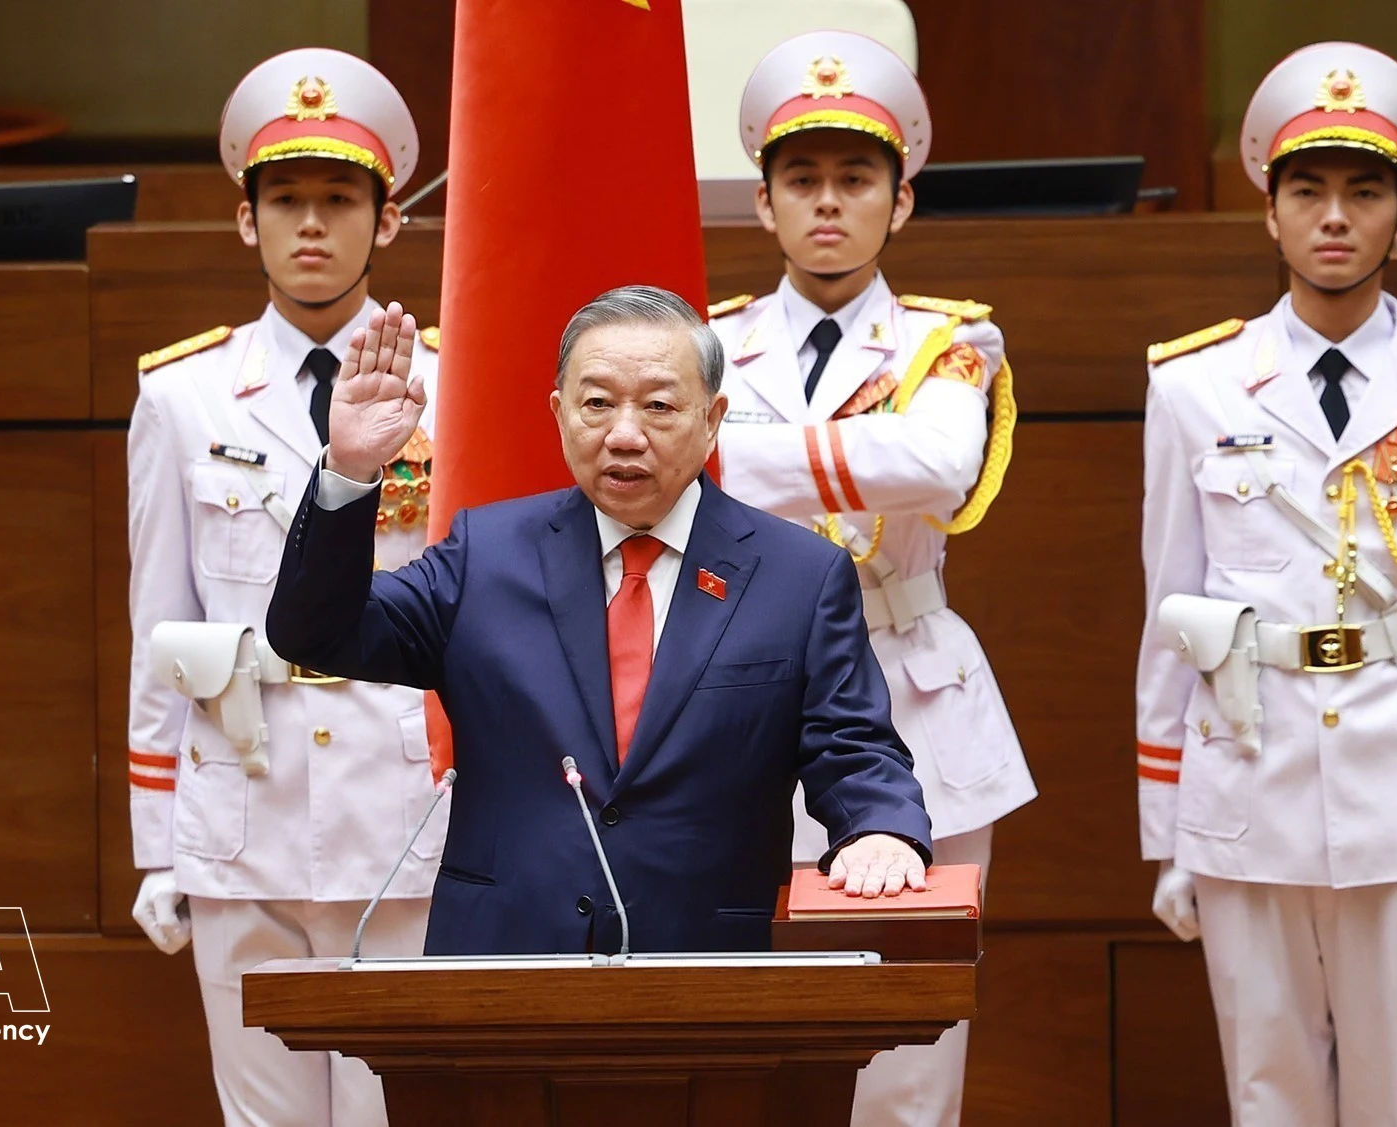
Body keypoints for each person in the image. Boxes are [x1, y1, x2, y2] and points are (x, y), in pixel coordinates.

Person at [267, 285, 937, 954]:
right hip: (503, 961)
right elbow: (318, 634)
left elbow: (853, 745)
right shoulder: (486, 555)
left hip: (708, 963)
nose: (624, 434)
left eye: (659, 406)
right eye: (597, 404)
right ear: (559, 413)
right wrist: (350, 470)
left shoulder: (799, 575)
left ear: (712, 419)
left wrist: (880, 828)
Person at [1137, 42, 1397, 1127]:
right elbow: (1169, 611)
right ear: (1268, 212)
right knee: (1264, 1088)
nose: (1333, 217)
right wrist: (1167, 827)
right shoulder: (1193, 383)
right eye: (1306, 190)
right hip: (1244, 770)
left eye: (1364, 191)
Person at [706, 30, 1037, 1126]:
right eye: (801, 178)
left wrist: (731, 452)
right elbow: (667, 469)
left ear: (901, 202)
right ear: (763, 203)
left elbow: (937, 464)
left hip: (913, 695)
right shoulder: (704, 344)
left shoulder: (951, 341)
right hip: (741, 694)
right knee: (756, 1043)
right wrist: (855, 453)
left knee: (908, 1063)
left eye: (856, 178)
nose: (828, 201)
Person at [124, 47, 444, 1127]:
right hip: (241, 801)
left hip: (401, 804)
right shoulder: (184, 396)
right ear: (245, 220)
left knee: (398, 1110)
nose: (312, 224)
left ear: (388, 221)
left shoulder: (449, 381)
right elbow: (160, 630)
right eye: (286, 200)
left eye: (340, 199)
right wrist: (158, 843)